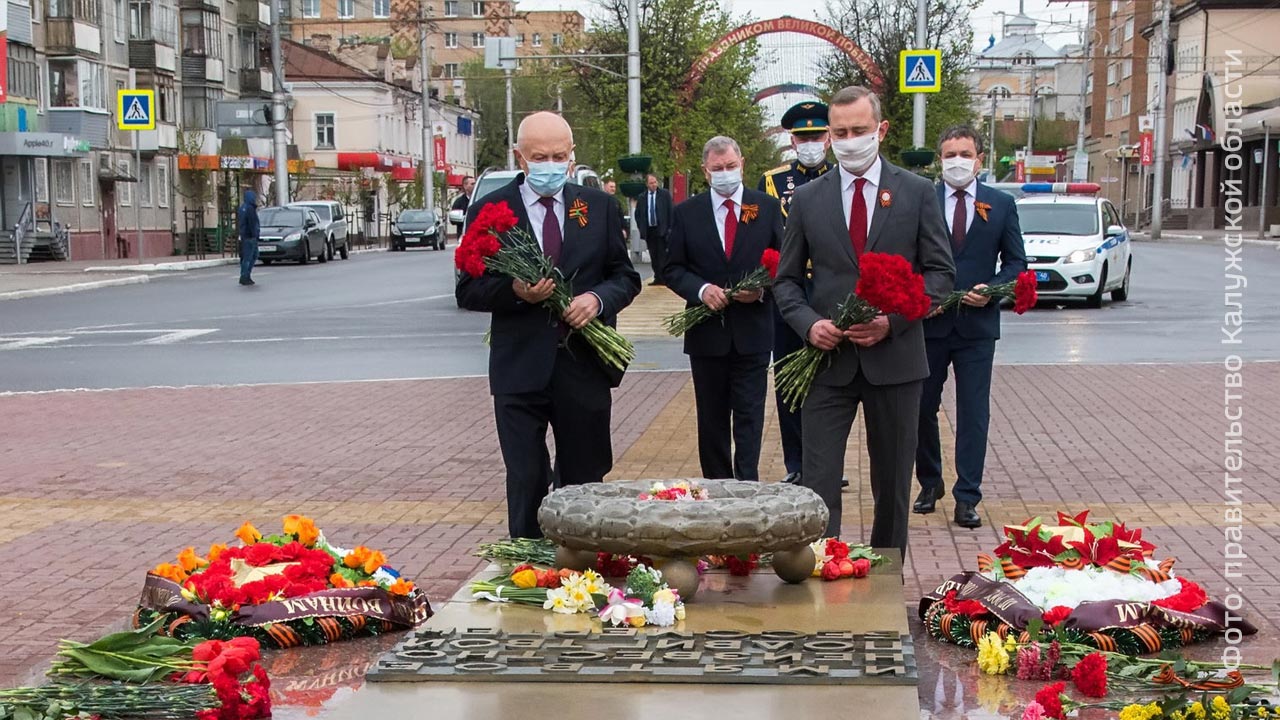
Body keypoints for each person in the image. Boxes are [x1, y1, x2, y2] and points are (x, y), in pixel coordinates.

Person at [773, 85, 954, 555]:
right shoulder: (809, 199)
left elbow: (940, 276)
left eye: (860, 130)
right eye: (841, 132)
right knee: (817, 482)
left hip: (895, 363)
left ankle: (886, 577)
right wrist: (808, 323)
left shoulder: (915, 193)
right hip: (826, 363)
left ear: (881, 130)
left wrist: (893, 321)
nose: (850, 140)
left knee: (892, 483)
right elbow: (786, 281)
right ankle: (818, 569)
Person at [456, 112, 642, 539]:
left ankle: (580, 563)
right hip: (519, 368)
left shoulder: (597, 207)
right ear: (520, 157)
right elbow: (468, 289)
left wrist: (596, 300)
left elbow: (625, 277)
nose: (551, 164)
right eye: (540, 156)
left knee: (584, 476)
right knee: (525, 477)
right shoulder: (490, 209)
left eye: (560, 155)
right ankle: (528, 562)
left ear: (572, 155)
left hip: (584, 366)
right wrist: (516, 292)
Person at [914, 125, 1027, 529]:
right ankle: (929, 482)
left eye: (964, 153)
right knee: (920, 407)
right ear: (939, 160)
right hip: (929, 324)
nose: (956, 161)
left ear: (979, 158)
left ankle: (967, 496)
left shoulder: (1000, 203)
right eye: (949, 154)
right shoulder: (922, 198)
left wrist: (994, 289)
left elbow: (1016, 263)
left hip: (977, 326)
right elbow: (908, 255)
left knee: (973, 412)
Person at [664, 136, 784, 481]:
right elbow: (672, 268)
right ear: (705, 171)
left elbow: (784, 264)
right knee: (712, 418)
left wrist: (761, 290)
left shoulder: (766, 208)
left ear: (742, 164)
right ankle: (717, 485)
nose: (726, 174)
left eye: (731, 167)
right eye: (718, 169)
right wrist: (701, 290)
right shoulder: (687, 213)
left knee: (749, 416)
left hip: (753, 332)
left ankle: (747, 484)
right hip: (707, 335)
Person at [759, 101, 835, 486]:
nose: (810, 143)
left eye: (817, 136)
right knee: (790, 377)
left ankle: (827, 460)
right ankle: (797, 461)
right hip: (789, 290)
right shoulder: (773, 182)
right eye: (803, 137)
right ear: (792, 140)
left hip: (829, 289)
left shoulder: (841, 176)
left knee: (831, 381)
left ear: (828, 137)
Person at [634, 173, 673, 286]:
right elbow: (638, 214)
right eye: (651, 183)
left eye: (655, 182)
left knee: (662, 255)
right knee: (653, 255)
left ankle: (665, 277)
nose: (654, 185)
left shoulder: (664, 195)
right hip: (649, 230)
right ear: (647, 184)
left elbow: (670, 212)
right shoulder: (642, 197)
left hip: (662, 230)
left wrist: (670, 229)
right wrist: (641, 228)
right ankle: (657, 277)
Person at [237, 189, 260, 286]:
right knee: (250, 256)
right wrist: (255, 234)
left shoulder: (242, 208)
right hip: (250, 237)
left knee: (249, 256)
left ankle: (245, 275)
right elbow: (252, 223)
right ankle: (245, 276)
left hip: (244, 236)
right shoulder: (250, 208)